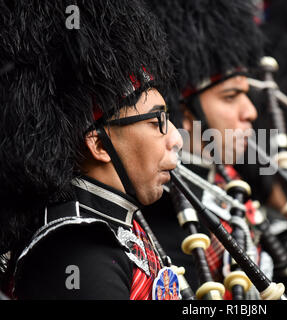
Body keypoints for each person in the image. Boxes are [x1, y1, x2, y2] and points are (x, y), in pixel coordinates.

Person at [0, 0, 183, 300]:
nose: (176, 138)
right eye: (155, 122)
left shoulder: (114, 226)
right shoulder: (78, 251)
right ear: (98, 144)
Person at [142, 0, 267, 299]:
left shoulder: (222, 181)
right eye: (230, 96)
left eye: (245, 95)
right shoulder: (163, 206)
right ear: (185, 112)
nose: (250, 111)